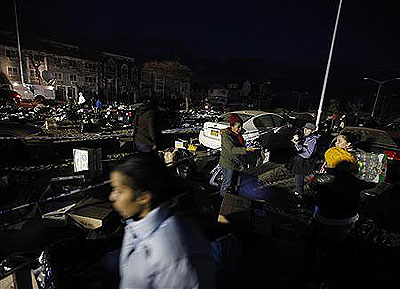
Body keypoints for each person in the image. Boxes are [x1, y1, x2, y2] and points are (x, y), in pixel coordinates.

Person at [109, 154, 216, 289]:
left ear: (143, 197)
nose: (112, 197)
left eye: (119, 191)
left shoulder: (166, 253)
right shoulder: (140, 225)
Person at [301, 147, 370, 287]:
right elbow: (371, 183)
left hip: (325, 219)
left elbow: (311, 184)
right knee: (334, 248)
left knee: (315, 247)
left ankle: (312, 277)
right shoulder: (355, 180)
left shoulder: (323, 179)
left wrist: (319, 173)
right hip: (348, 220)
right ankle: (328, 276)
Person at [219, 113, 253, 197]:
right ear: (232, 126)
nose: (240, 129)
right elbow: (232, 149)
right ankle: (223, 199)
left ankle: (233, 198)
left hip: (237, 163)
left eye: (241, 126)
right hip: (228, 163)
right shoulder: (226, 136)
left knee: (237, 183)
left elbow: (241, 145)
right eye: (238, 127)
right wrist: (246, 150)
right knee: (227, 183)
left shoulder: (237, 135)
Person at [291, 122, 320, 198]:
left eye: (308, 129)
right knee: (298, 178)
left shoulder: (312, 140)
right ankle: (298, 192)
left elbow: (307, 154)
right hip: (300, 161)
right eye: (305, 129)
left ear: (313, 131)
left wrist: (297, 144)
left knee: (299, 178)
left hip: (305, 162)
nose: (305, 131)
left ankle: (299, 195)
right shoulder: (305, 137)